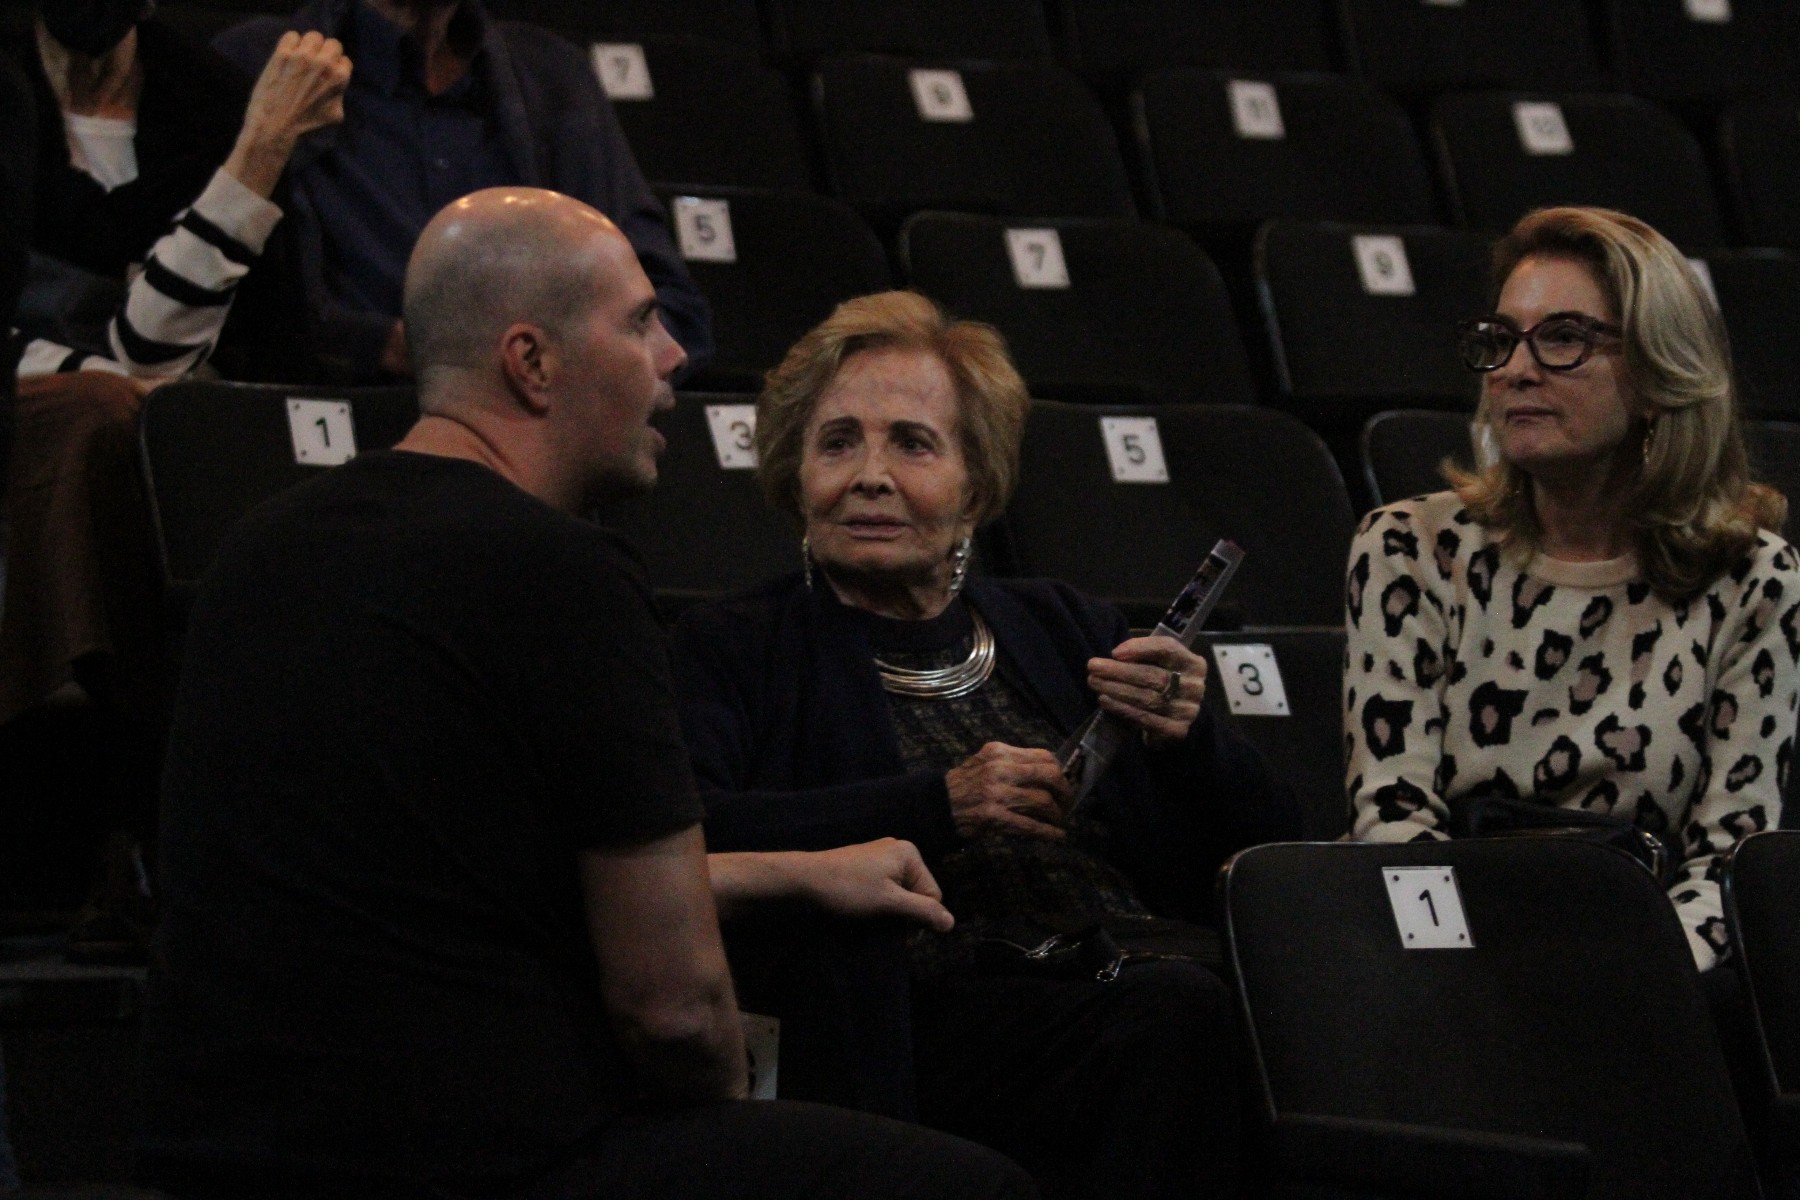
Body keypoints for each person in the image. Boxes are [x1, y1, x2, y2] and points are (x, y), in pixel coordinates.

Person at [138, 187, 1034, 1200]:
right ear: (532, 362)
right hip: (468, 1160)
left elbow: (443, 873)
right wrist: (725, 1103)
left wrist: (787, 874)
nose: (674, 358)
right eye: (641, 323)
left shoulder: (258, 544)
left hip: (216, 1152)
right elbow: (673, 1009)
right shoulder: (562, 572)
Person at [671, 290, 1301, 1200]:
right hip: (908, 1024)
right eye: (838, 441)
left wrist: (1192, 739)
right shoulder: (734, 646)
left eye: (913, 443)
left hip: (1130, 978)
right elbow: (697, 838)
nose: (870, 474)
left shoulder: (1061, 622)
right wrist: (938, 805)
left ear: (976, 483)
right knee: (1174, 1018)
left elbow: (1261, 851)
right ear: (792, 470)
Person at [1343, 206, 1800, 973]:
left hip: (1648, 975)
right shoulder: (1407, 548)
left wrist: (1623, 981)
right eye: (1502, 341)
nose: (1517, 369)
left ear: (1660, 376)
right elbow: (1390, 817)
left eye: (1563, 339)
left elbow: (1730, 863)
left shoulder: (1757, 580)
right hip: (1450, 961)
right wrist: (1483, 969)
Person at [1, 2, 351, 959]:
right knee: (105, 421)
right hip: (58, 440)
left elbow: (251, 356)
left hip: (192, 441)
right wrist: (258, 157)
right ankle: (141, 828)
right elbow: (141, 371)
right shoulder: (245, 120)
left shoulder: (203, 92)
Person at [212, 0, 712, 383]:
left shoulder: (551, 74)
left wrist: (541, 372)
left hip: (553, 440)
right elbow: (217, 311)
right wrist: (394, 348)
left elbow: (672, 317)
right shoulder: (258, 63)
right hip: (341, 432)